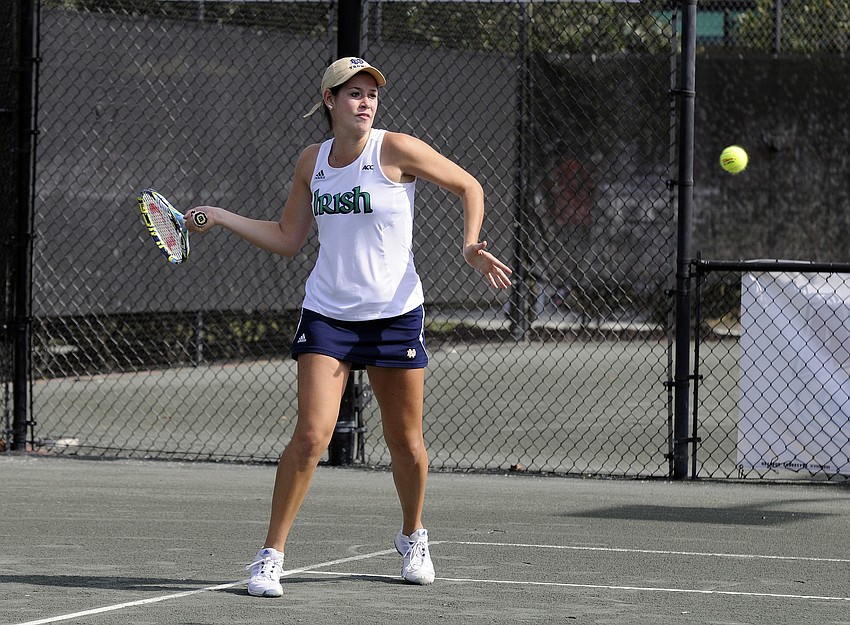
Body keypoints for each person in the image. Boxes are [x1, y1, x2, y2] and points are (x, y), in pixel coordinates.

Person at [184, 56, 513, 598]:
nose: (365, 102)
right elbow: (288, 238)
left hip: (394, 316)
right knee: (311, 435)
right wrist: (220, 217)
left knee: (405, 443)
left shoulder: (396, 149)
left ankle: (413, 535)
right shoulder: (311, 160)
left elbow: (469, 186)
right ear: (329, 101)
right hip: (328, 315)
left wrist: (471, 245)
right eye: (354, 93)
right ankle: (270, 556)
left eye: (371, 94)